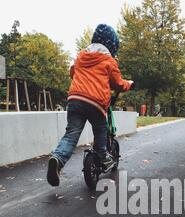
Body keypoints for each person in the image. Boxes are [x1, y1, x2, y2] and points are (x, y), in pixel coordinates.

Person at [47, 24, 134, 187]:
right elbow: (118, 84)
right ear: (112, 44)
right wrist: (129, 84)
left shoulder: (82, 55)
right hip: (96, 102)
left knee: (71, 134)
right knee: (101, 129)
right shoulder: (109, 61)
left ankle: (57, 159)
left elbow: (72, 72)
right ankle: (102, 156)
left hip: (75, 99)